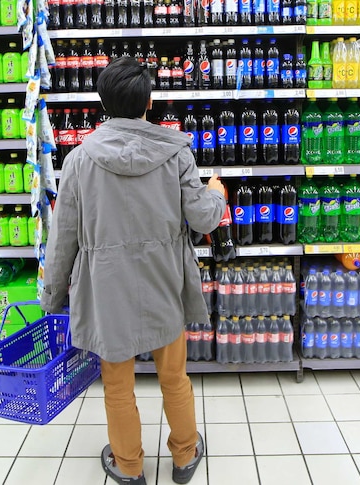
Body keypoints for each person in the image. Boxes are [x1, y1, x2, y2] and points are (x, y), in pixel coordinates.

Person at [40, 56, 226, 485]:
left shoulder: (80, 160)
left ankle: (128, 467)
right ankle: (184, 457)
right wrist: (215, 194)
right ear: (149, 101)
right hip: (165, 280)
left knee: (117, 386)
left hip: (106, 289)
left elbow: (63, 237)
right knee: (174, 377)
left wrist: (52, 300)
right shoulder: (175, 150)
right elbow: (202, 218)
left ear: (104, 102)